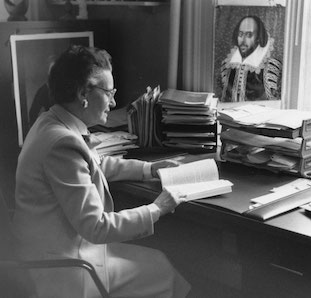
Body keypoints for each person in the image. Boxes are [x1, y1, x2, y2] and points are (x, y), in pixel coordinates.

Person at [12, 45, 191, 298]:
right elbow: (96, 227)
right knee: (161, 269)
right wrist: (157, 208)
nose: (114, 102)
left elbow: (93, 164)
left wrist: (149, 169)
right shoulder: (62, 143)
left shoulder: (51, 122)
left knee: (159, 260)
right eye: (109, 92)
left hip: (54, 250)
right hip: (63, 268)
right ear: (84, 93)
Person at [221, 15, 282, 102]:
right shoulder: (227, 66)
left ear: (258, 37)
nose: (243, 40)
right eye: (240, 34)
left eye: (249, 35)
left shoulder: (270, 67)